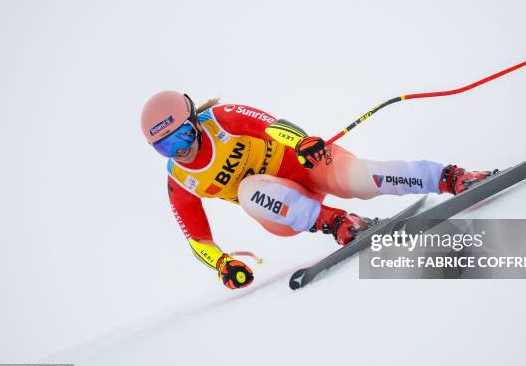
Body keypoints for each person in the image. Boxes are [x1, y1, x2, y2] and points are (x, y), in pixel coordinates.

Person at [141, 90, 496, 289]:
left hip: (306, 165)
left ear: (194, 122)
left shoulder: (221, 119)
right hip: (280, 207)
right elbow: (197, 239)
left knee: (362, 178)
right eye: (166, 148)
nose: (181, 151)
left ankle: (451, 177)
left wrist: (302, 141)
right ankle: (339, 223)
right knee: (249, 189)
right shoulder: (180, 180)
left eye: (183, 136)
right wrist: (223, 264)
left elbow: (269, 124)